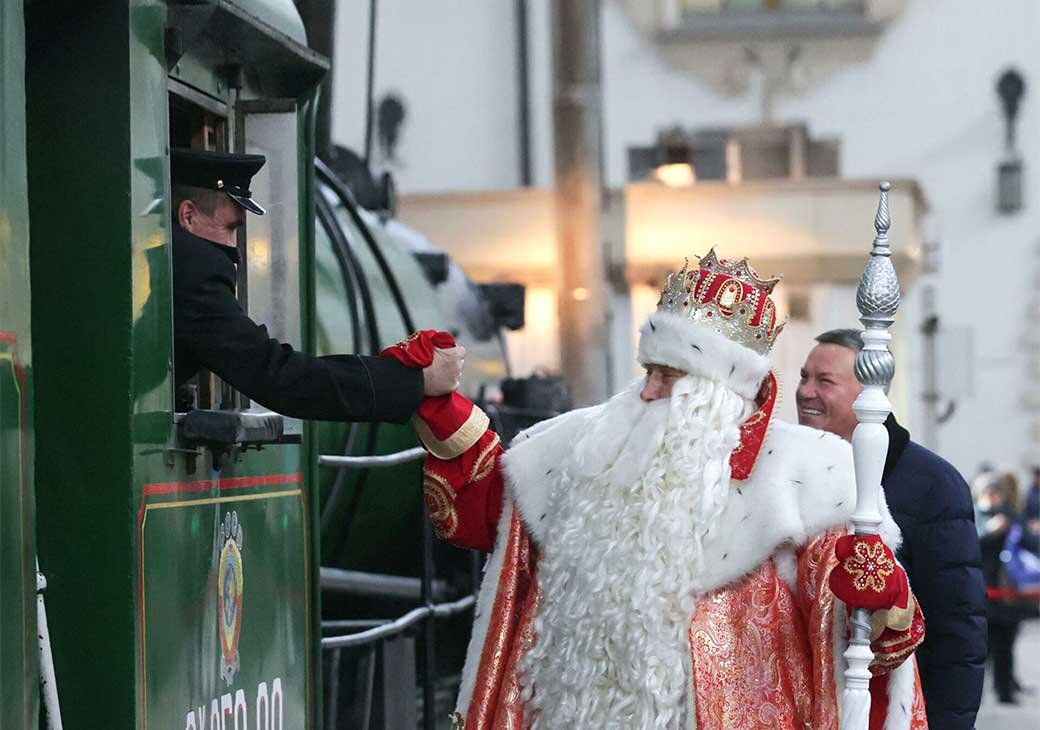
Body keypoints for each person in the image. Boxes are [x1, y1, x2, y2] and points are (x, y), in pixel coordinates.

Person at [385, 252, 928, 729]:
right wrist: (437, 401)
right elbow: (487, 513)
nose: (646, 391)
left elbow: (864, 637)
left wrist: (884, 600)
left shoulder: (810, 478)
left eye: (668, 377)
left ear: (716, 392)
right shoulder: (586, 448)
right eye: (648, 369)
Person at [170, 148, 462, 421]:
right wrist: (414, 380)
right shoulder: (196, 267)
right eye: (230, 229)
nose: (233, 249)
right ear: (188, 216)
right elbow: (275, 374)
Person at [797, 328, 987, 728]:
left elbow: (958, 629)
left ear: (869, 392)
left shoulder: (933, 484)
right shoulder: (794, 473)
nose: (805, 391)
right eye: (804, 377)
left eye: (824, 381)